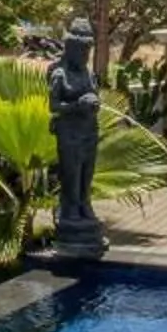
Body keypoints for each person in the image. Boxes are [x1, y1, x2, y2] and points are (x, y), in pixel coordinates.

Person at [49, 16, 106, 258]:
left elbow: (95, 96)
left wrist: (94, 104)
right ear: (71, 49)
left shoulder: (88, 73)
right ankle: (70, 208)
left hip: (88, 131)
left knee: (87, 172)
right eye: (81, 50)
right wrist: (76, 106)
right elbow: (54, 105)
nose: (84, 55)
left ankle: (84, 204)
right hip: (69, 132)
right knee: (71, 172)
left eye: (87, 51)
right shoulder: (60, 74)